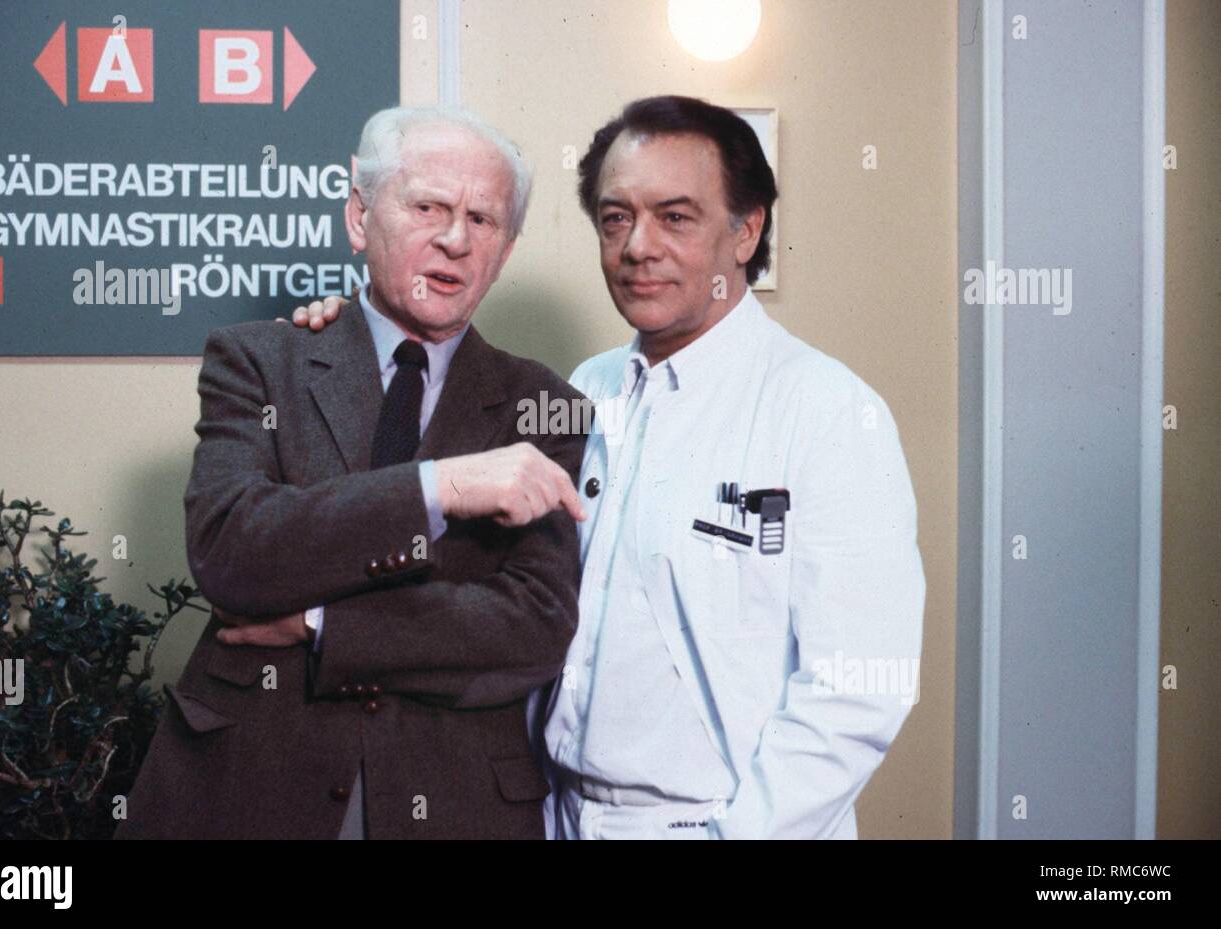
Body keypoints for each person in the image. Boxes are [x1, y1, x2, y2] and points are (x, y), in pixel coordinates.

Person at [290, 95, 925, 840]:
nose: (638, 246)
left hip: (721, 824)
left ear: (746, 231)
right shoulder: (577, 395)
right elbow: (482, 586)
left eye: (675, 217)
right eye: (616, 217)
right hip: (553, 813)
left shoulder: (827, 413)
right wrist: (355, 338)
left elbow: (854, 695)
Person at [118, 106, 587, 840]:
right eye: (428, 206)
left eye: (482, 219)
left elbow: (532, 628)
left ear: (504, 250)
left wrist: (319, 625)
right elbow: (232, 551)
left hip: (453, 802)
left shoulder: (545, 406)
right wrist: (442, 487)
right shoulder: (258, 360)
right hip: (249, 785)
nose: (455, 239)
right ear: (360, 217)